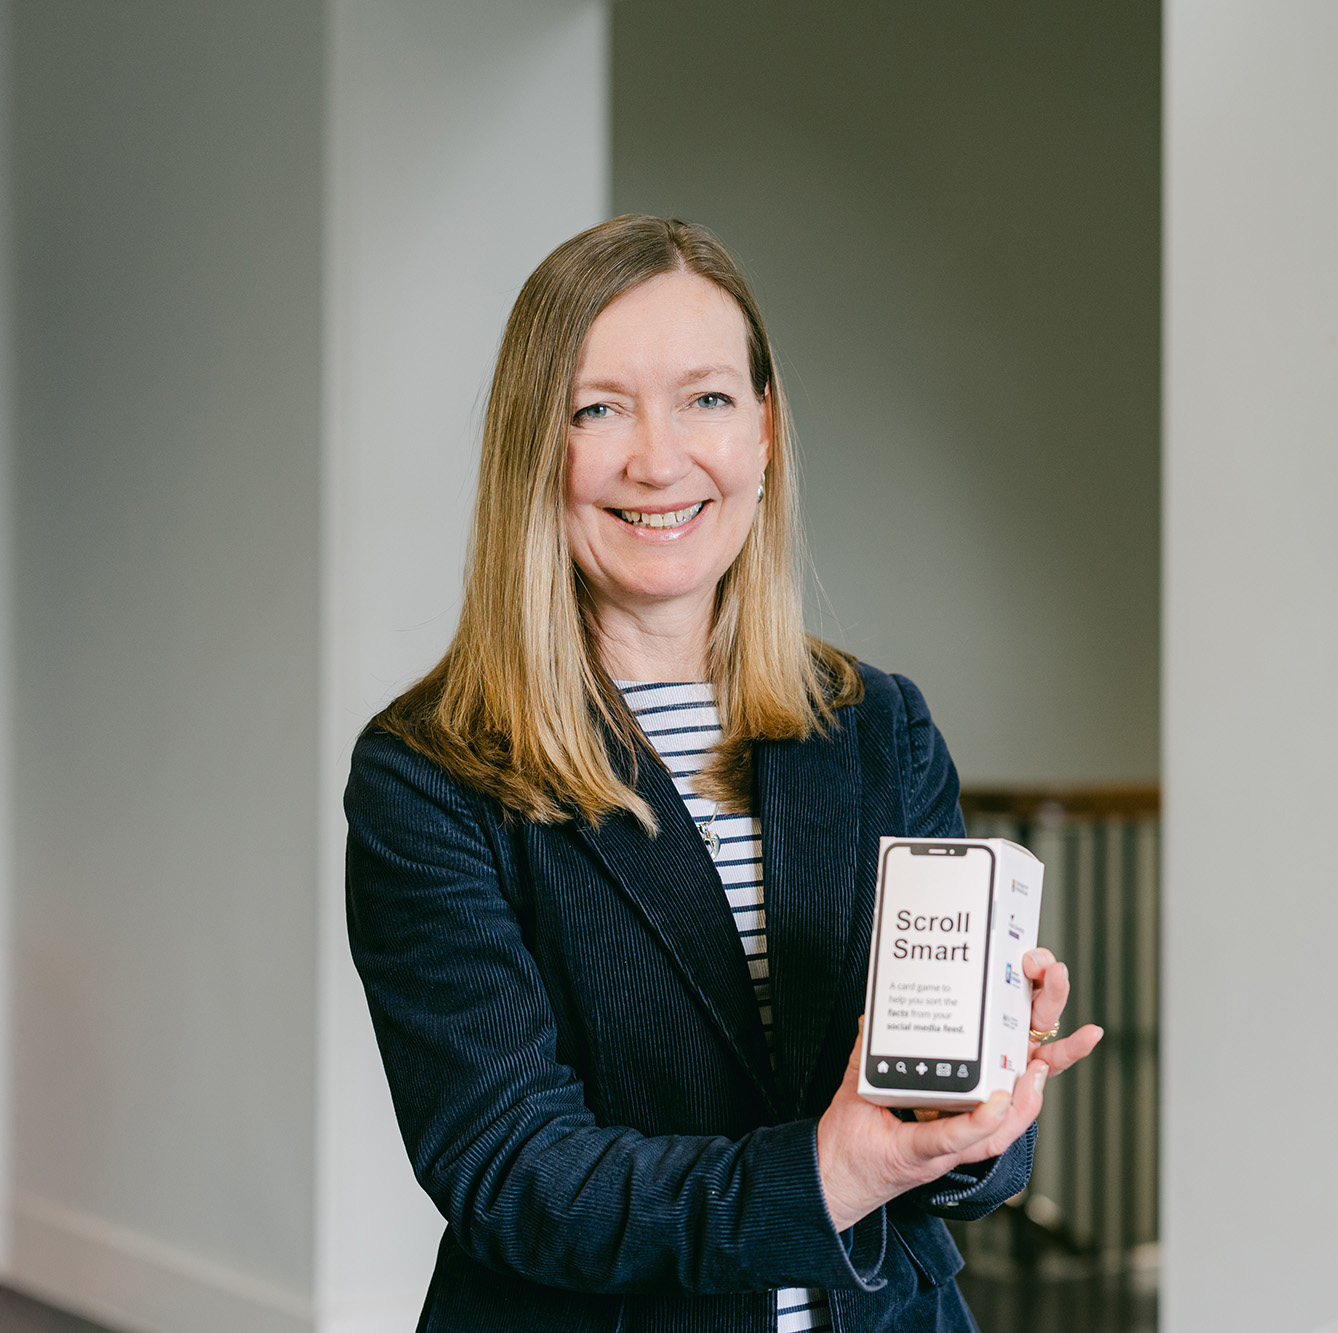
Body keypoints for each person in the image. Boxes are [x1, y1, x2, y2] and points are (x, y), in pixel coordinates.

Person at [345, 214, 1102, 1332]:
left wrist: (981, 1109)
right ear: (530, 449)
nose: (659, 459)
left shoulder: (876, 724)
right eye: (598, 408)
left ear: (764, 434)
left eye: (705, 398)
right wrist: (826, 1174)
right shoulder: (431, 773)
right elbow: (512, 1171)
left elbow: (946, 1174)